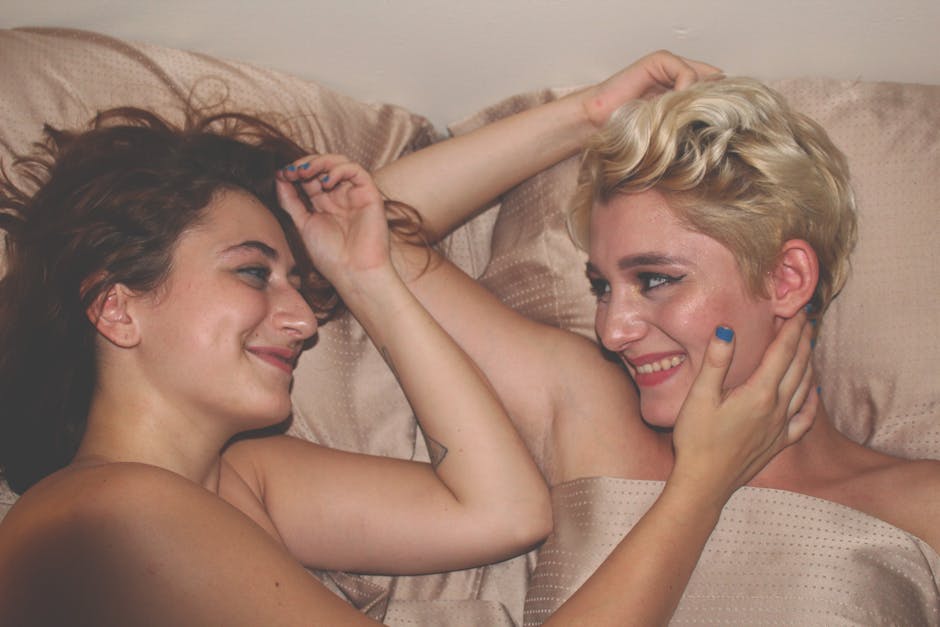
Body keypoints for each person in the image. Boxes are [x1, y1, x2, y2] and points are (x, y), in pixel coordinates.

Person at [0, 56, 813, 625]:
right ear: (116, 310)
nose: (302, 317)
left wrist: (369, 277)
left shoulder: (236, 479)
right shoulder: (107, 510)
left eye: (299, 282)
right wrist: (700, 487)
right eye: (254, 274)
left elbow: (503, 509)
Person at [285, 54, 940, 624]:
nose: (612, 328)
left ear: (788, 277)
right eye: (602, 286)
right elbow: (361, 232)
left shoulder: (920, 503)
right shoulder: (593, 415)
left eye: (655, 278)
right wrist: (590, 115)